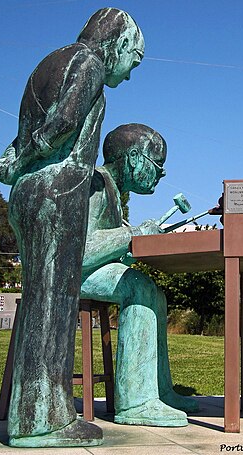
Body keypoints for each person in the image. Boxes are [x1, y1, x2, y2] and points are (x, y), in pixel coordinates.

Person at [0, 8, 145, 448]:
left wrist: (14, 161)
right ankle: (41, 420)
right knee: (53, 304)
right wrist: (23, 158)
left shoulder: (50, 61)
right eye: (134, 57)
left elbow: (30, 127)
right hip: (60, 190)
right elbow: (62, 124)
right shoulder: (90, 63)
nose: (130, 72)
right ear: (116, 42)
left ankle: (43, 409)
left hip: (30, 191)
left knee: (46, 302)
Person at [80, 123, 199, 426]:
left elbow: (107, 244)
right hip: (67, 276)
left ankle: (159, 390)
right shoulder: (95, 184)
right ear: (133, 158)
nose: (162, 173)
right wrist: (133, 234)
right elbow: (82, 249)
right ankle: (135, 402)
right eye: (157, 164)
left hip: (86, 272)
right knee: (140, 288)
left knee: (153, 293)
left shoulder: (113, 192)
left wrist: (128, 246)